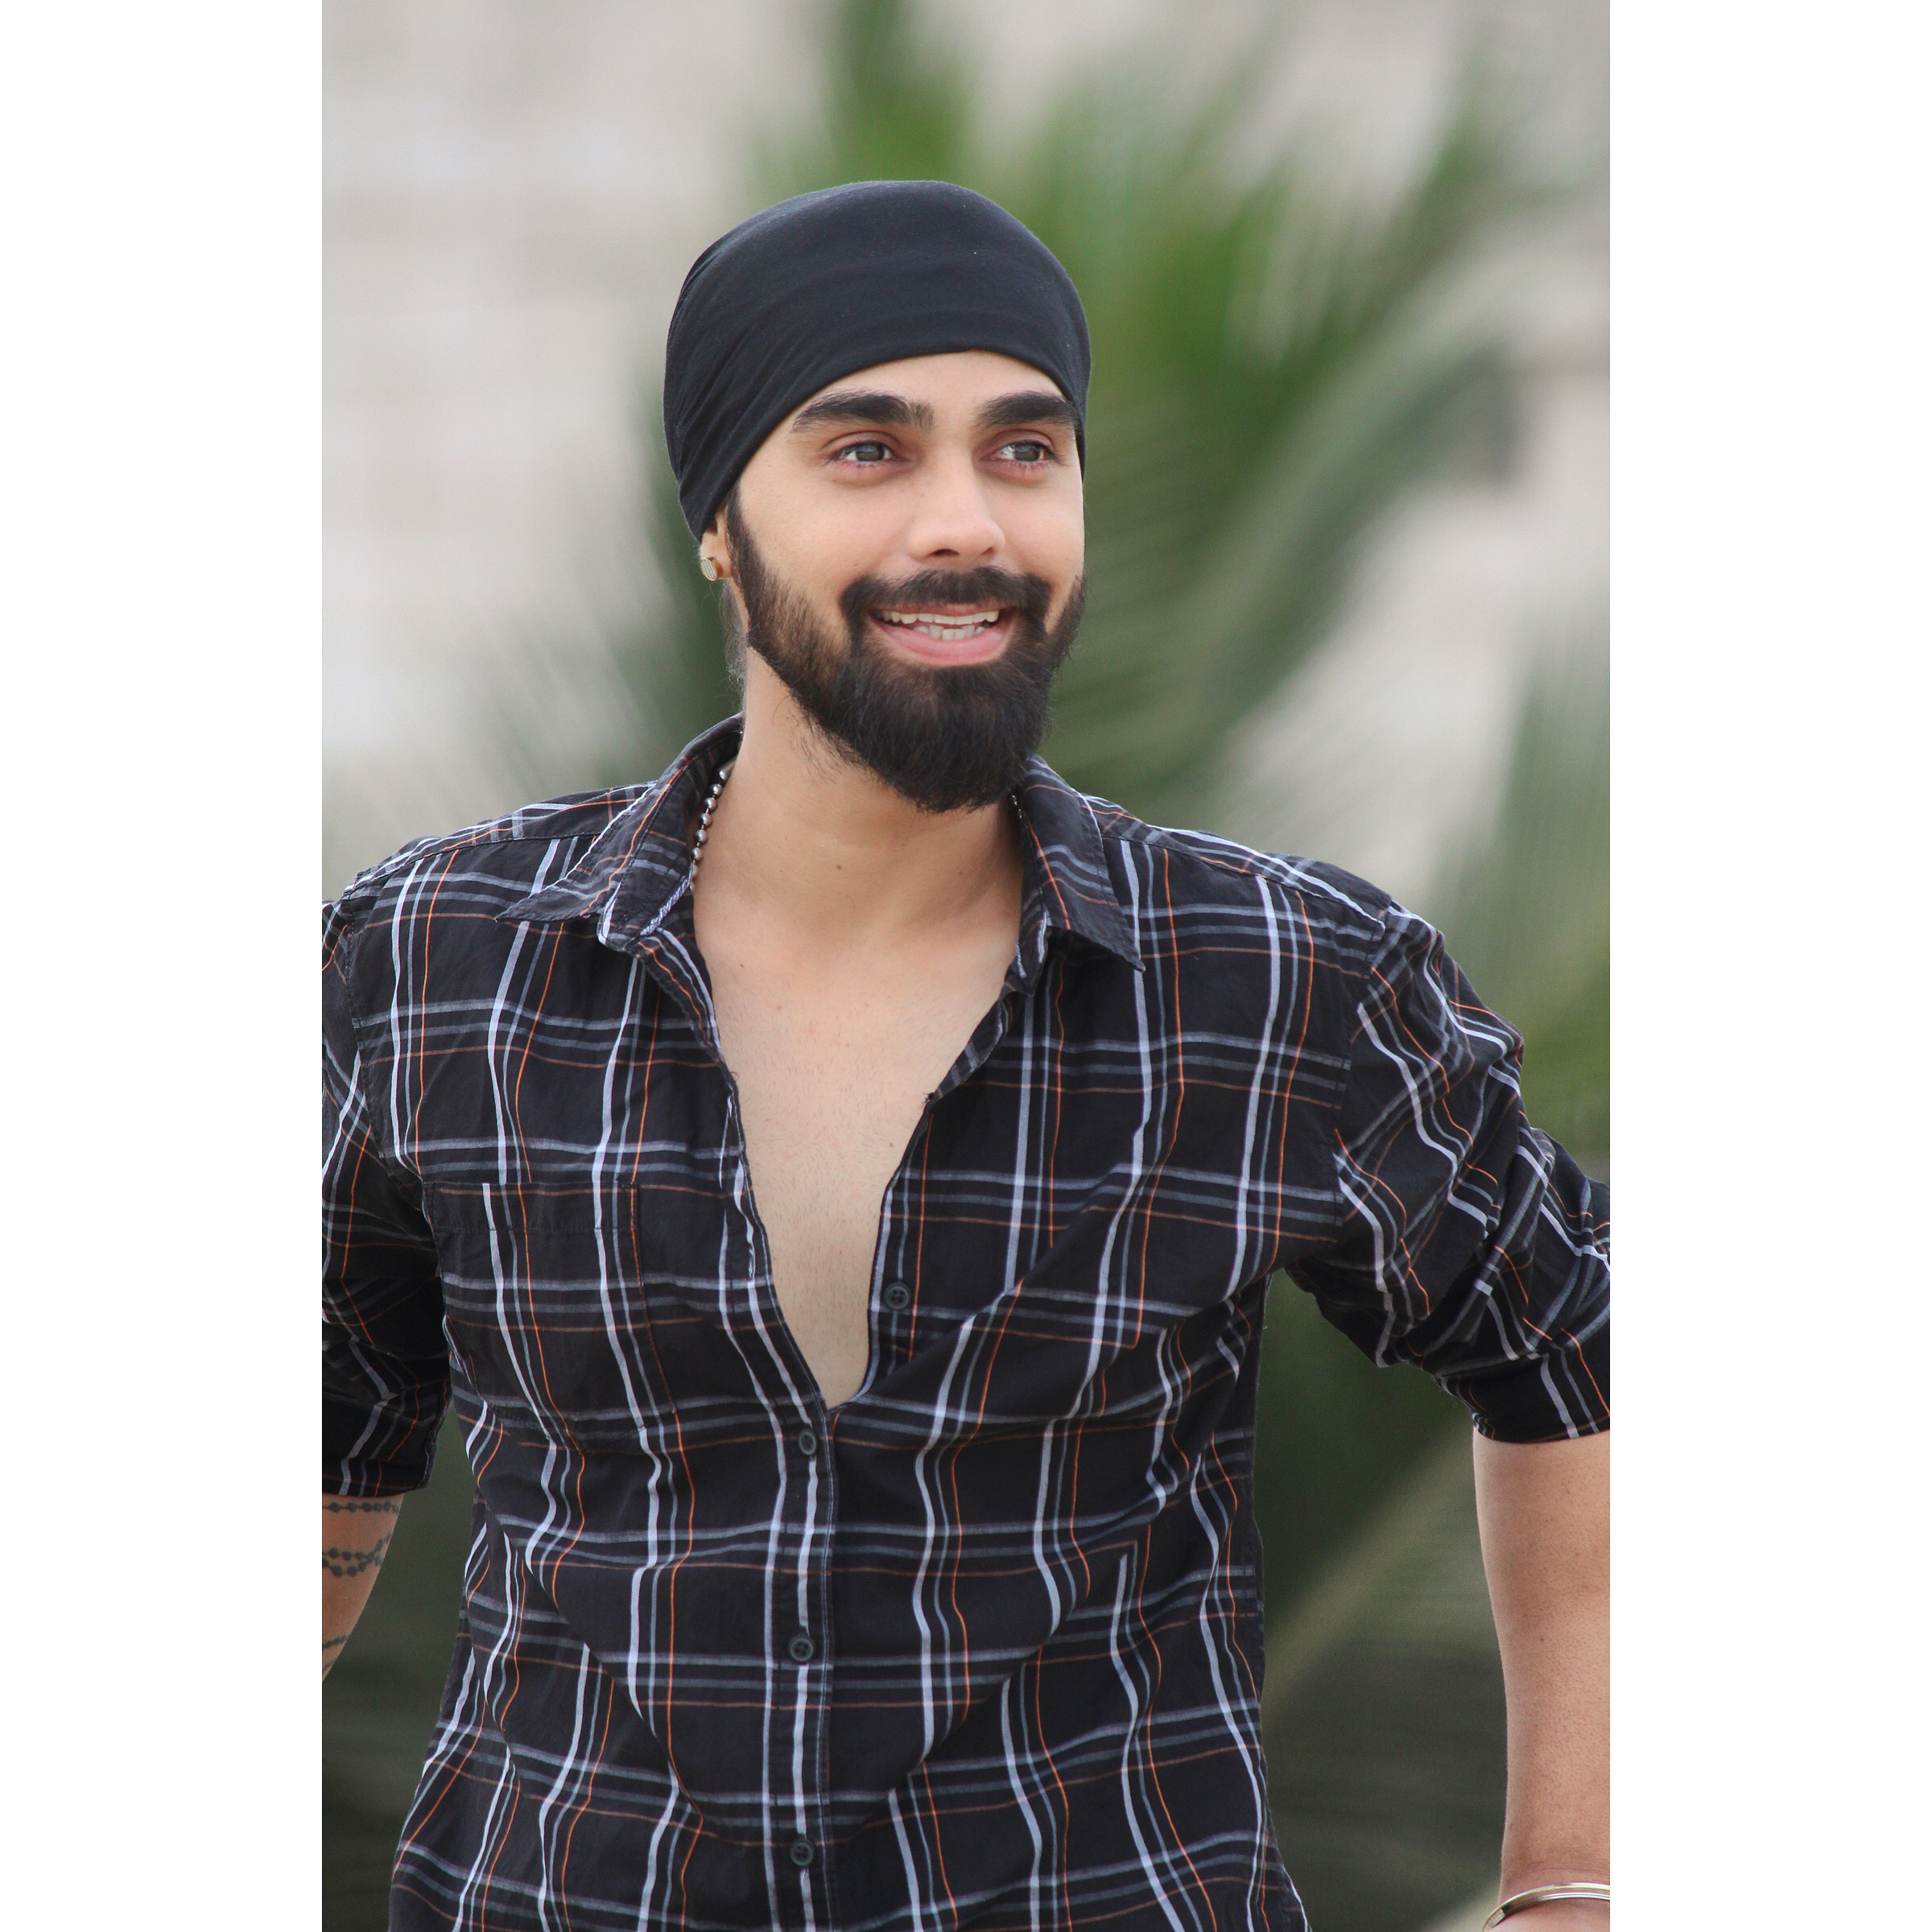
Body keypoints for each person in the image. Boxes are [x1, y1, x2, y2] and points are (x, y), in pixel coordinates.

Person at [324, 180, 1608, 1932]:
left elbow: (1575, 1351)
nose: (965, 524)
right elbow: (328, 1429)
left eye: (1025, 450)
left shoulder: (1274, 979)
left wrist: (1572, 1885)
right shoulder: (440, 962)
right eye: (867, 451)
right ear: (718, 525)